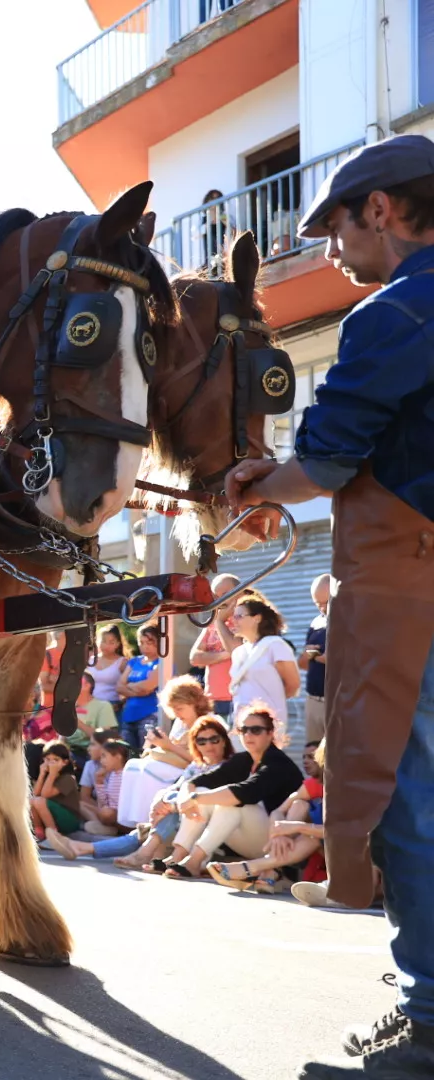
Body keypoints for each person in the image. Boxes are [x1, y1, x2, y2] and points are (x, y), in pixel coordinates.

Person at [227, 135, 434, 1077]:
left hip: (411, 595)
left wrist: (257, 482)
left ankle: (430, 1017)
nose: (330, 254)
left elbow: (333, 457)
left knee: (409, 797)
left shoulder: (393, 314)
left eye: (336, 230)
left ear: (381, 211)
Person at [46, 714, 235, 866]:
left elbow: (208, 796)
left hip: (206, 826)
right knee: (143, 829)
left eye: (214, 739)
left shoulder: (232, 765)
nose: (208, 746)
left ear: (224, 741)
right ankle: (80, 848)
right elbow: (177, 787)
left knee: (158, 821)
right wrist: (161, 802)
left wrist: (170, 804)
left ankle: (139, 852)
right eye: (202, 742)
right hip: (180, 822)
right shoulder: (196, 766)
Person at [159, 703, 304, 879]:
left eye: (256, 730)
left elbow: (245, 793)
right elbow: (197, 781)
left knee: (234, 804)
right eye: (244, 730)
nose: (248, 735)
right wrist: (187, 798)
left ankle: (194, 861)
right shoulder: (243, 760)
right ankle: (178, 856)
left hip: (277, 845)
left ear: (270, 733)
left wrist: (194, 799)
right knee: (205, 792)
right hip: (250, 839)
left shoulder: (278, 763)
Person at [207, 739, 329, 894]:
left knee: (312, 836)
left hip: (339, 848)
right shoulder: (316, 784)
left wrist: (297, 827)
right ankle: (270, 870)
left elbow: (338, 831)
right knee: (299, 804)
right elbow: (278, 811)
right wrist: (280, 834)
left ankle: (255, 868)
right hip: (309, 845)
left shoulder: (354, 788)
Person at [117, 676, 211, 828]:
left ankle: (149, 823)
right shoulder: (181, 722)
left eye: (180, 708)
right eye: (173, 709)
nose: (176, 713)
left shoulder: (207, 722)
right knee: (132, 765)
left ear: (195, 703)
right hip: (176, 765)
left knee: (149, 769)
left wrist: (168, 746)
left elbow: (204, 760)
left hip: (192, 772)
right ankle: (130, 824)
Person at [227, 594, 300, 743]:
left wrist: (271, 701)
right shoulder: (239, 652)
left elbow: (293, 684)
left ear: (257, 618)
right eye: (233, 616)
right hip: (241, 723)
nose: (233, 621)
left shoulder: (275, 645)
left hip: (267, 724)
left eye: (239, 616)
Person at [189, 573, 243, 717]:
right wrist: (226, 654)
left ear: (241, 592)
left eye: (225, 594)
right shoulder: (214, 621)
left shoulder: (245, 620)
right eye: (216, 596)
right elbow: (195, 658)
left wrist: (211, 656)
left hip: (237, 698)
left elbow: (238, 650)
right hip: (212, 700)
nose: (220, 600)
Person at [115, 625, 163, 751]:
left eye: (149, 642)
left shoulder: (162, 662)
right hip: (128, 716)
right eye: (141, 642)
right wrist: (138, 689)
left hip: (149, 716)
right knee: (127, 754)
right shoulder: (135, 661)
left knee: (147, 753)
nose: (145, 646)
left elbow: (148, 686)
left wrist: (129, 686)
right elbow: (119, 687)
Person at [299, 574, 331, 745]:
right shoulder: (316, 623)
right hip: (313, 700)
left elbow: (341, 661)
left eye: (326, 602)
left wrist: (315, 656)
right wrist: (310, 655)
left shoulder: (348, 622)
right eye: (317, 603)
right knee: (313, 754)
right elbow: (303, 663)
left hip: (335, 702)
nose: (322, 608)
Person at [28, 741, 81, 841]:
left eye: (56, 760)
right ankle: (39, 832)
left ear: (65, 762)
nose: (51, 763)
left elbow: (45, 795)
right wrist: (42, 775)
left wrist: (52, 774)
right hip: (52, 816)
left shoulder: (68, 778)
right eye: (48, 759)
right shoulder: (46, 777)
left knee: (39, 801)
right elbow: (35, 794)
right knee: (32, 800)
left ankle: (54, 836)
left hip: (69, 820)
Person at [85, 624, 127, 713]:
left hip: (113, 706)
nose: (106, 645)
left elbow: (129, 687)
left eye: (111, 642)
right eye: (103, 641)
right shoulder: (91, 659)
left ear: (118, 644)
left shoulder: (122, 662)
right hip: (91, 704)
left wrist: (121, 704)